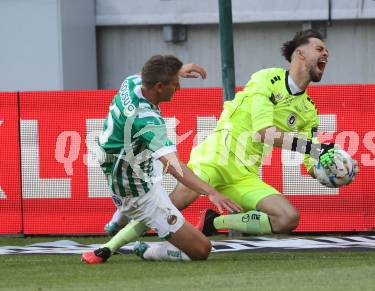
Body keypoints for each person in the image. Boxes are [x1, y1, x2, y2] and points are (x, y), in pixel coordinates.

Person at [102, 30, 358, 253]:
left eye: (327, 50)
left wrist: (330, 169)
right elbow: (264, 132)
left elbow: (310, 162)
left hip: (244, 173)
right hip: (217, 155)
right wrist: (315, 149)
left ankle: (212, 223)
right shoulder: (267, 79)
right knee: (171, 205)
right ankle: (112, 244)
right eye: (319, 48)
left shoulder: (309, 110)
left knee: (287, 218)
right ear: (300, 54)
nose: (326, 53)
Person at [81, 55, 241, 264]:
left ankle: (117, 220)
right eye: (175, 84)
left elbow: (148, 71)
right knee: (202, 249)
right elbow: (174, 167)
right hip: (141, 196)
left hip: (117, 160)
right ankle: (147, 249)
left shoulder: (132, 82)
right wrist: (211, 193)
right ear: (159, 86)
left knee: (154, 161)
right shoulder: (147, 121)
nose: (179, 89)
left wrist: (178, 69)